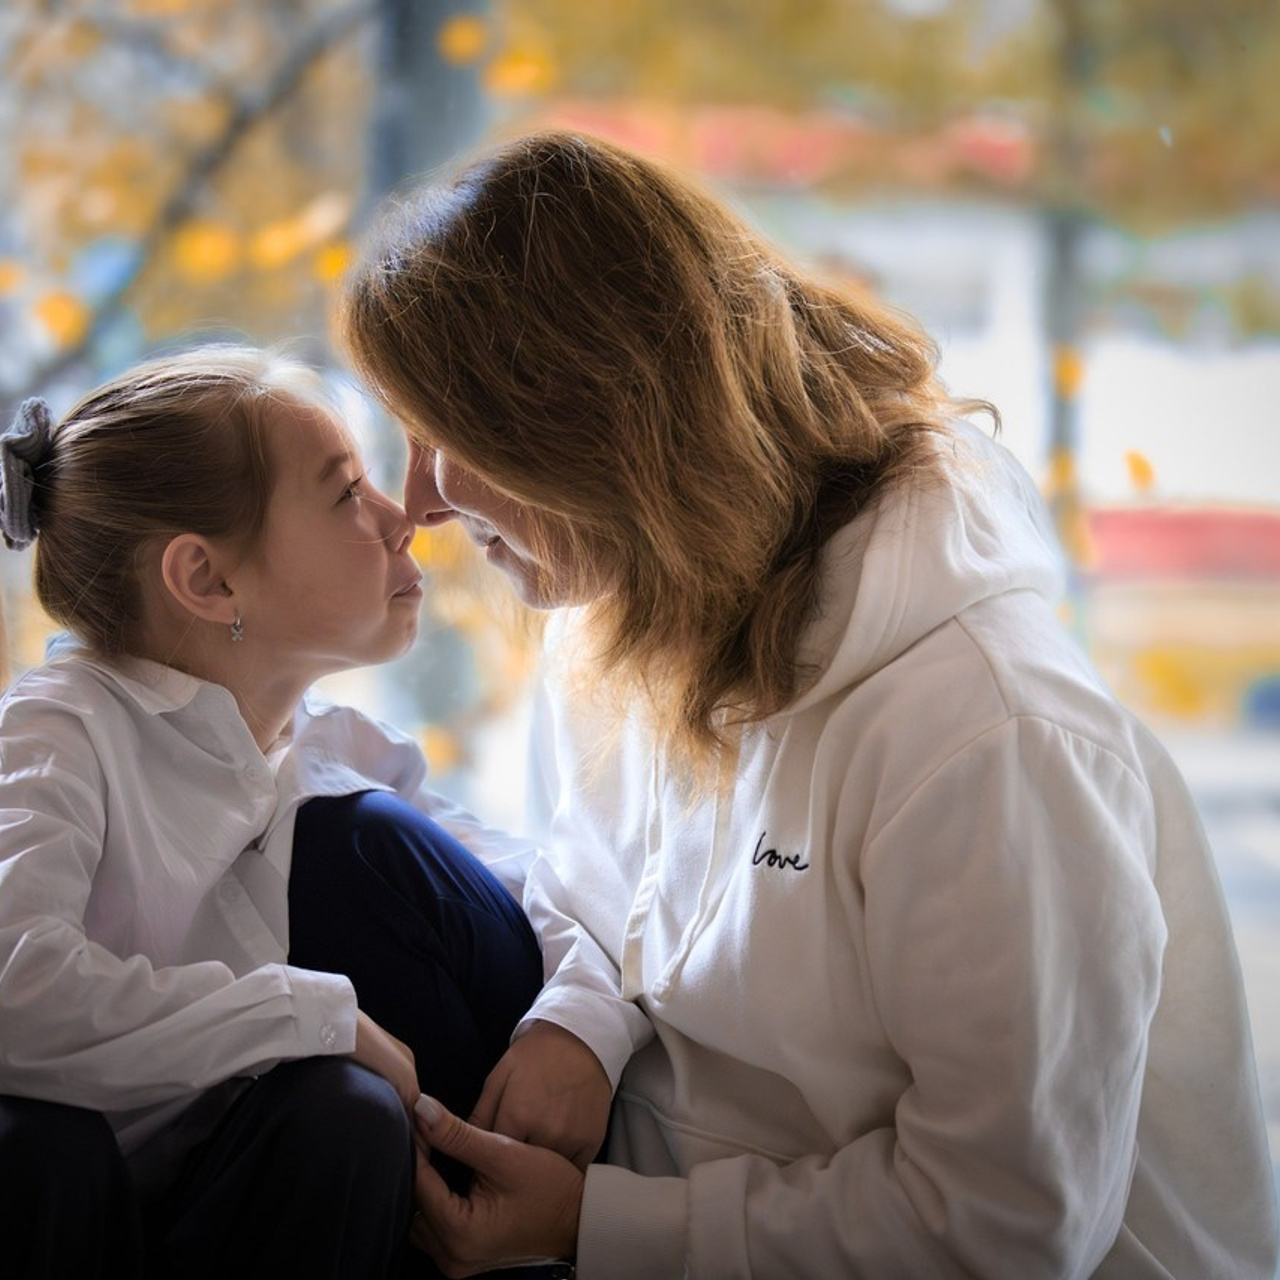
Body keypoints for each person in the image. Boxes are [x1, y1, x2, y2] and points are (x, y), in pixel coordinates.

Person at [338, 129, 1280, 1278]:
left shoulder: (984, 735)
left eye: (446, 437)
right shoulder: (625, 608)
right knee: (351, 859)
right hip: (677, 1196)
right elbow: (595, 878)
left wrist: (598, 1228)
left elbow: (1002, 1231)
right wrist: (579, 1021)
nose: (416, 499)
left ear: (589, 424)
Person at [0, 346, 547, 1279]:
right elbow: (17, 994)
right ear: (208, 581)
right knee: (44, 1152)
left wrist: (575, 1030)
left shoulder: (331, 744)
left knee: (348, 1114)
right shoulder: (60, 727)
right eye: (345, 495)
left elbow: (533, 890)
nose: (400, 520)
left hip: (221, 1196)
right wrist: (314, 1011)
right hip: (63, 1206)